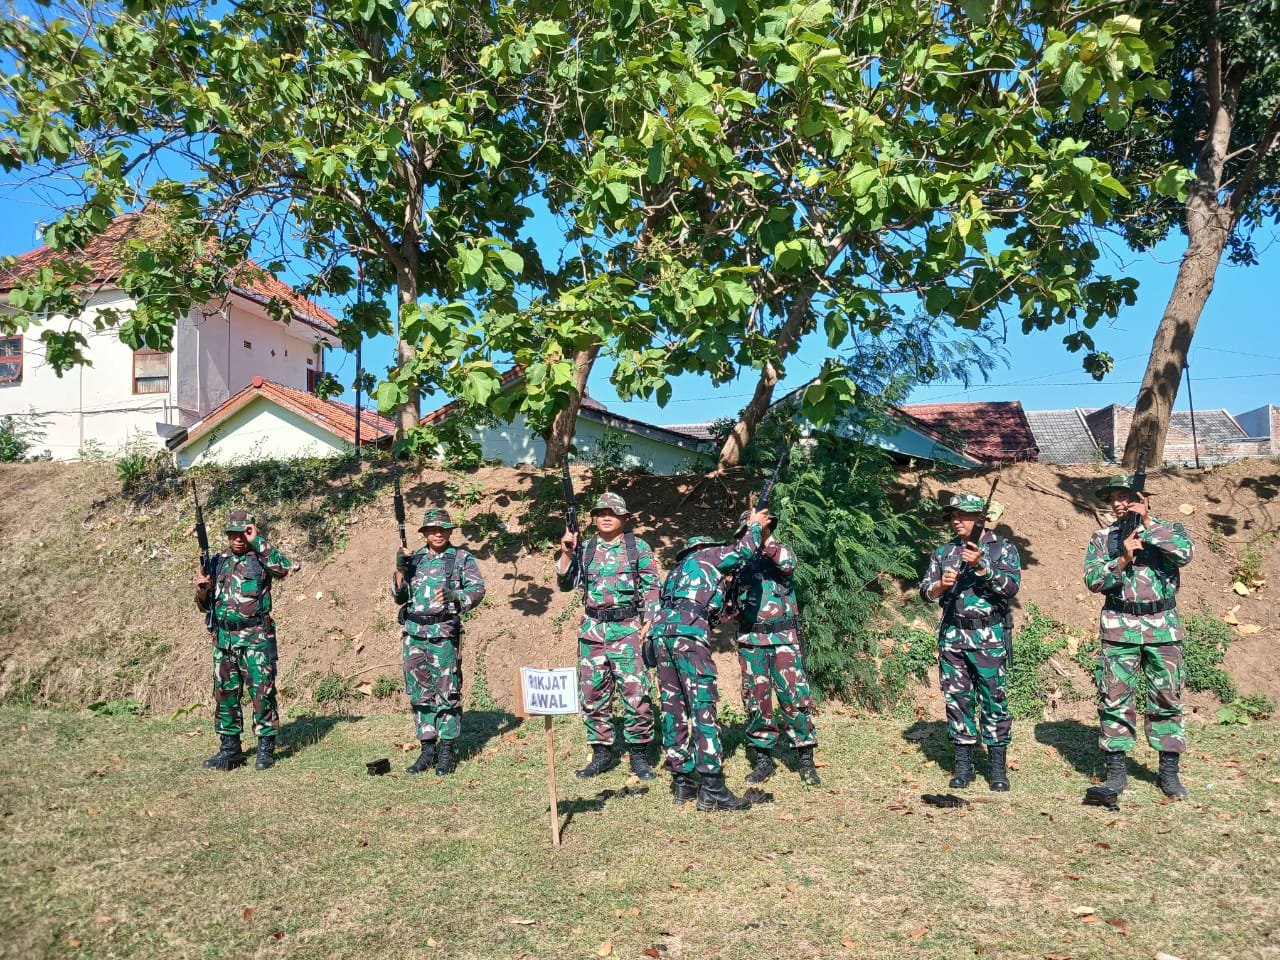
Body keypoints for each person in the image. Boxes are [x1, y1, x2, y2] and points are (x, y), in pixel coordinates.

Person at [649, 507, 770, 813]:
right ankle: (713, 787)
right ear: (702, 548)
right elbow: (742, 552)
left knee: (672, 706)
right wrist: (754, 526)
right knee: (702, 704)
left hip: (664, 637)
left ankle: (682, 781)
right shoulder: (707, 558)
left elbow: (711, 613)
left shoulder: (677, 573)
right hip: (689, 637)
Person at [1084, 474, 1194, 799]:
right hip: (1120, 626)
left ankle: (1169, 774)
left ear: (1143, 498)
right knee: (1114, 699)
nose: (1119, 503)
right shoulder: (1103, 538)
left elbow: (1185, 554)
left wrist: (1149, 527)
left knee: (1167, 699)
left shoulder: (1169, 530)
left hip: (1163, 628)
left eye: (1126, 496)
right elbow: (1092, 580)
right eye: (1114, 498)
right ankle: (1116, 774)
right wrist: (1122, 561)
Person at [919, 493, 1021, 791]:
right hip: (953, 636)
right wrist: (940, 586)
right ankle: (963, 766)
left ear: (980, 517)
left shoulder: (1002, 549)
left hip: (988, 636)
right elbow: (925, 591)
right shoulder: (944, 552)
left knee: (993, 699)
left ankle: (997, 768)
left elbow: (1011, 587)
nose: (956, 520)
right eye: (952, 515)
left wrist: (982, 567)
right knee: (957, 699)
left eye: (962, 515)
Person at [557, 492, 662, 780]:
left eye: (613, 513)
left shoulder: (637, 548)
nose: (606, 516)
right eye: (601, 512)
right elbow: (566, 584)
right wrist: (567, 553)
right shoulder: (586, 548)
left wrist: (650, 620)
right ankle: (601, 753)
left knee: (636, 694)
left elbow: (652, 587)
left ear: (624, 519)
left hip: (627, 630)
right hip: (592, 632)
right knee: (592, 695)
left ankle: (638, 755)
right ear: (593, 518)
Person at [723, 510, 819, 786]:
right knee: (756, 701)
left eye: (754, 529)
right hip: (751, 641)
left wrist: (764, 537)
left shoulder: (779, 551)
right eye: (747, 531)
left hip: (783, 641)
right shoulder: (739, 561)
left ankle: (805, 757)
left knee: (794, 700)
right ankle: (763, 759)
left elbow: (788, 564)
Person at [195, 510, 295, 772]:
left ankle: (265, 747)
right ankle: (230, 749)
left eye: (244, 533)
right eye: (234, 534)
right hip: (224, 640)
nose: (239, 539)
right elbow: (204, 606)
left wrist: (259, 541)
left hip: (255, 638)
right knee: (225, 695)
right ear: (227, 535)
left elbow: (284, 568)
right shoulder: (218, 562)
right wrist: (202, 589)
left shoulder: (261, 559)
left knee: (262, 692)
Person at [392, 507, 486, 776]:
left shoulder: (460, 559)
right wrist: (399, 569)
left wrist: (456, 596)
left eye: (443, 529)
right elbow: (398, 596)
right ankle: (427, 748)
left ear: (449, 531)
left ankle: (446, 750)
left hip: (443, 634)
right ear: (424, 533)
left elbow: (478, 590)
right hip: (413, 635)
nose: (438, 533)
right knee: (420, 693)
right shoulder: (414, 559)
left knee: (447, 692)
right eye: (432, 529)